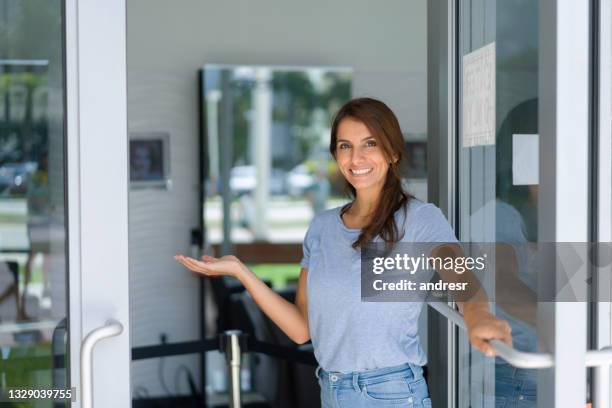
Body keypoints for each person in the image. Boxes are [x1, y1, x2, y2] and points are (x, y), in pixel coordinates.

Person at [175, 98, 512, 407]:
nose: (356, 158)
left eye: (370, 144)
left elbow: (459, 274)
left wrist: (478, 315)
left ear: (392, 152)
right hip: (332, 390)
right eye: (345, 146)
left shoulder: (419, 218)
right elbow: (300, 330)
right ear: (336, 156)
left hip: (390, 394)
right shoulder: (322, 228)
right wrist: (240, 271)